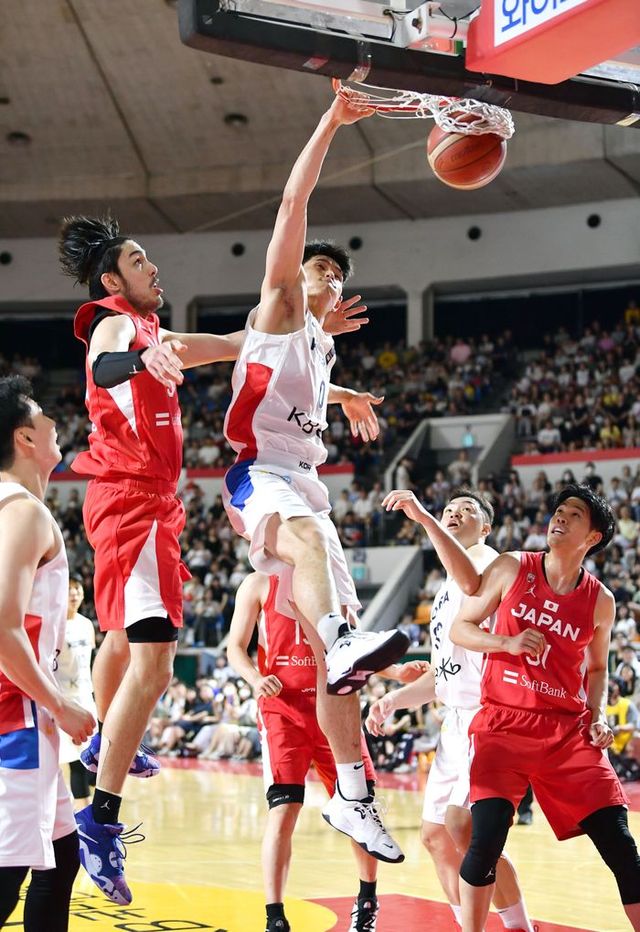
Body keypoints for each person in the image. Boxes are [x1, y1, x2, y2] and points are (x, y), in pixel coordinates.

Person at [57, 214, 367, 903]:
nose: (153, 268)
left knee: (126, 640)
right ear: (113, 280)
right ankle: (100, 815)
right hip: (130, 498)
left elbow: (245, 343)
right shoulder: (116, 325)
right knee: (156, 658)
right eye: (140, 261)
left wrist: (314, 332)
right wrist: (141, 358)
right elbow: (104, 365)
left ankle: (105, 739)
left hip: (150, 504)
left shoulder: (159, 335)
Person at [222, 88, 409, 860]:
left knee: (345, 675)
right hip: (256, 474)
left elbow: (307, 374)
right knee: (307, 555)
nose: (328, 279)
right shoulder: (275, 303)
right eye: (319, 267)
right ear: (299, 272)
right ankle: (336, 638)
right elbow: (295, 197)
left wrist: (347, 390)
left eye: (336, 274)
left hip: (306, 485)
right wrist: (334, 119)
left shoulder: (322, 343)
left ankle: (356, 800)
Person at [450, 483, 640, 932]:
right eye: (558, 510)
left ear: (592, 536)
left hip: (566, 734)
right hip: (503, 724)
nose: (560, 518)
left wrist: (595, 717)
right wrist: (506, 642)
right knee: (486, 839)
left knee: (620, 845)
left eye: (574, 515)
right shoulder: (513, 565)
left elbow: (597, 670)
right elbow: (463, 628)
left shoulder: (601, 601)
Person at [366, 488, 533, 931]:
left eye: (468, 510)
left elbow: (470, 583)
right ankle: (467, 924)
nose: (456, 513)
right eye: (449, 510)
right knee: (436, 836)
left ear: (487, 526)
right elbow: (444, 675)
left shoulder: (487, 561)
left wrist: (424, 517)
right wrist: (392, 699)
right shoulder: (444, 589)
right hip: (455, 720)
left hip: (488, 716)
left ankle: (520, 927)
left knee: (467, 831)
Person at [227, 572, 380, 932]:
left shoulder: (334, 577)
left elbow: (352, 646)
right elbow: (235, 646)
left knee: (362, 806)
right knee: (284, 809)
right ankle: (275, 916)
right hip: (284, 710)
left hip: (335, 706)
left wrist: (391, 673)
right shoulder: (259, 583)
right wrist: (254, 679)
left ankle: (367, 899)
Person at [0, 375, 95, 931]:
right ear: (24, 439)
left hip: (23, 712)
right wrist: (60, 704)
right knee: (8, 872)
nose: (54, 423)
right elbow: (4, 627)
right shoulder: (22, 511)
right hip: (17, 718)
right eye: (42, 417)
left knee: (60, 860)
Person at [57, 576, 98, 809]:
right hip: (64, 700)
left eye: (77, 589)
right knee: (70, 759)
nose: (74, 594)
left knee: (85, 758)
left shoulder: (86, 624)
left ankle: (83, 810)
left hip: (86, 697)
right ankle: (76, 809)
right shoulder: (55, 625)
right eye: (69, 589)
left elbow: (90, 664)